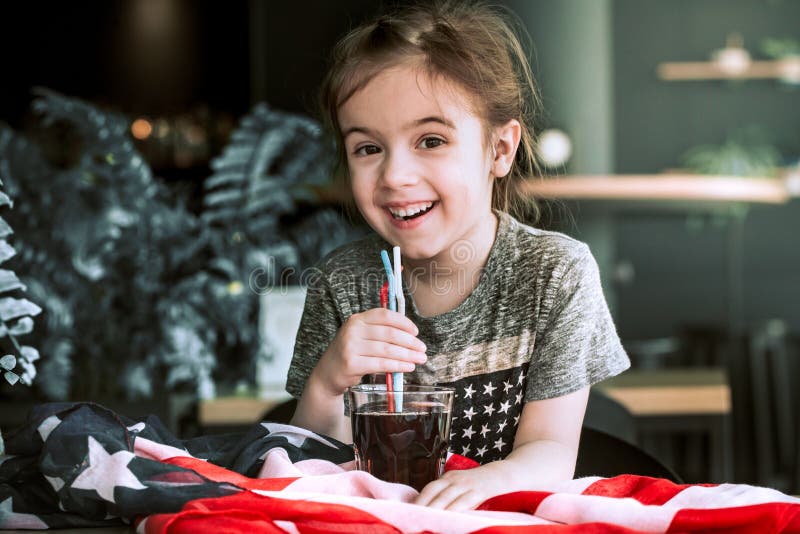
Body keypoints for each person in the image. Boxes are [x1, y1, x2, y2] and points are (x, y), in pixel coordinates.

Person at [286, 0, 629, 511]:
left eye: (430, 140)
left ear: (500, 150)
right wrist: (328, 381)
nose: (395, 176)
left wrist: (488, 482)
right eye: (367, 148)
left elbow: (551, 450)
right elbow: (311, 466)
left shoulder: (554, 275)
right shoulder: (344, 283)